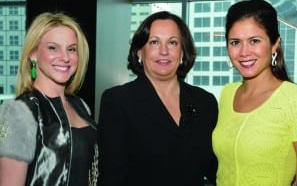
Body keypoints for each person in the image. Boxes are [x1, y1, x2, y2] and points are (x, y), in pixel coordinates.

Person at [97, 11, 218, 186]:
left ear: (183, 51)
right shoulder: (117, 101)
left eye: (172, 43)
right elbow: (111, 178)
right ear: (139, 52)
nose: (164, 51)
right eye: (154, 42)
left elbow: (218, 170)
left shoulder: (205, 102)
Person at [0, 12, 98, 186]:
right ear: (33, 54)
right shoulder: (19, 112)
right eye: (53, 47)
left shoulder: (80, 105)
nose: (65, 57)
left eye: (71, 49)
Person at [212, 0, 297, 186]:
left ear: (275, 44)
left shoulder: (294, 99)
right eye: (235, 42)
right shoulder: (227, 94)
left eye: (254, 41)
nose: (244, 52)